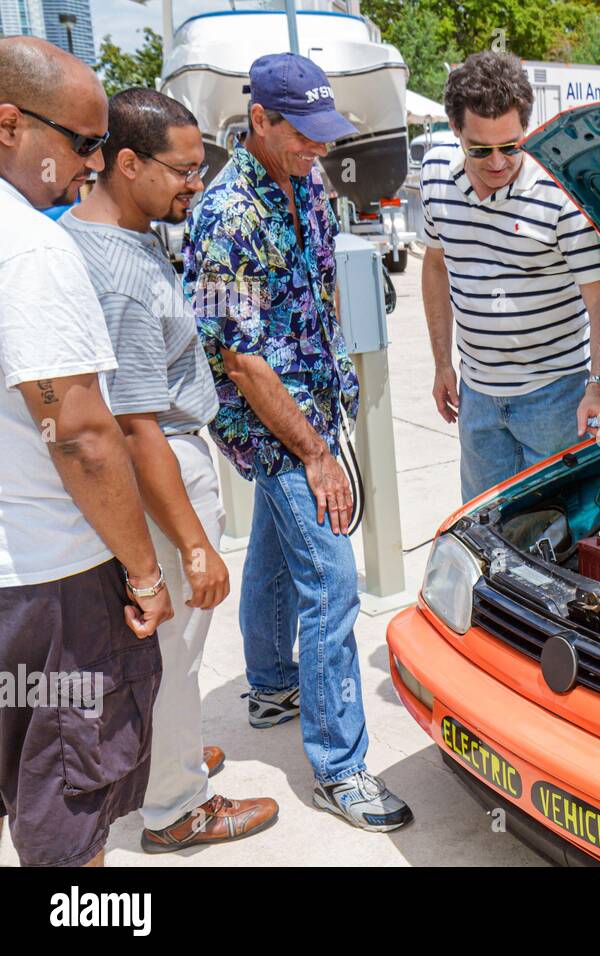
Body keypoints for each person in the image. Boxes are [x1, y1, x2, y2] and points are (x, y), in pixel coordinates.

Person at [184, 53, 411, 832]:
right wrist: (314, 451)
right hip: (275, 425)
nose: (319, 148)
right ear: (261, 121)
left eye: (325, 133)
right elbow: (240, 356)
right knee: (333, 584)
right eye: (304, 134)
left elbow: (317, 292)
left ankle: (275, 682)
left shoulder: (306, 181)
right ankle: (340, 769)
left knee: (281, 557)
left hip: (315, 403)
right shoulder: (224, 215)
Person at [62, 87, 280, 853]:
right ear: (127, 163)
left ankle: (161, 762)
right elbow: (135, 425)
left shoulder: (105, 232)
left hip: (151, 464)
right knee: (175, 655)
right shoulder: (119, 274)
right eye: (183, 171)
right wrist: (192, 542)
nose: (197, 184)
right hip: (162, 469)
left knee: (155, 651)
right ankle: (179, 807)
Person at [0, 36, 173, 867]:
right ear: (9, 124)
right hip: (49, 588)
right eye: (82, 142)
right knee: (70, 820)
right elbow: (79, 430)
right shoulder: (32, 247)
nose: (97, 163)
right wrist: (143, 570)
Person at [420, 51, 600, 502]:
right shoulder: (435, 174)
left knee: (561, 532)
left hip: (557, 399)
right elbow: (435, 264)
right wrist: (441, 363)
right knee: (485, 531)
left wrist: (599, 386)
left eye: (510, 146)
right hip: (477, 398)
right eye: (480, 149)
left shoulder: (560, 191)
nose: (496, 162)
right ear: (455, 131)